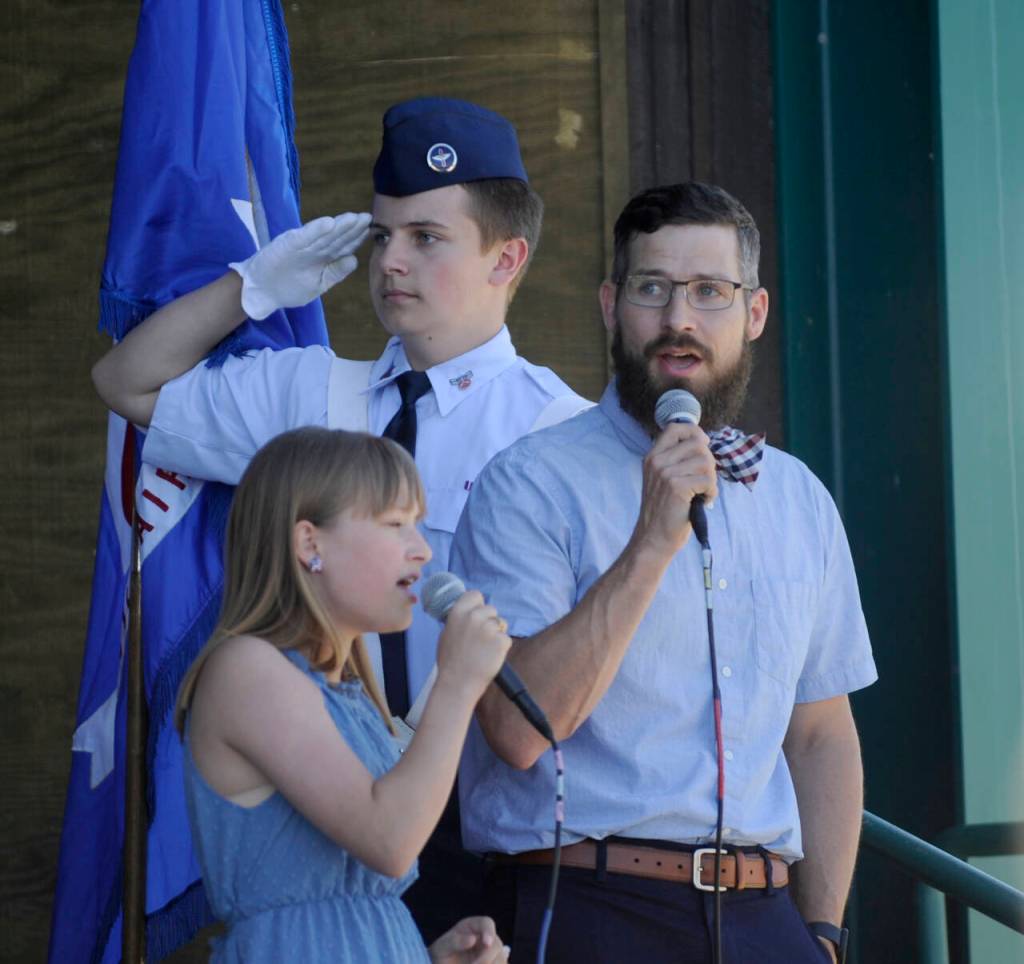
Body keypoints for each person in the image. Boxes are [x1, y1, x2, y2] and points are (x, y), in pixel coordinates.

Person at [92, 97, 590, 940]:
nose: (391, 261)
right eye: (382, 235)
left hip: (498, 823)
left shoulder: (562, 431)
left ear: (507, 258)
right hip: (326, 803)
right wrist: (250, 289)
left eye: (426, 238)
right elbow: (124, 382)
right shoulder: (312, 392)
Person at [449, 182, 878, 963]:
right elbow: (516, 730)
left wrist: (821, 933)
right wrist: (650, 542)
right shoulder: (529, 484)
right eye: (653, 288)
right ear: (611, 305)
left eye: (710, 291)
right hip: (589, 901)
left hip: (767, 918)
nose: (680, 318)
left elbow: (820, 734)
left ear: (755, 312)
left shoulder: (799, 499)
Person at [174, 426, 512, 962]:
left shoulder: (346, 697)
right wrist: (456, 683)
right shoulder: (247, 671)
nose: (423, 550)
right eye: (395, 523)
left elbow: (344, 903)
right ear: (310, 544)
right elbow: (390, 840)